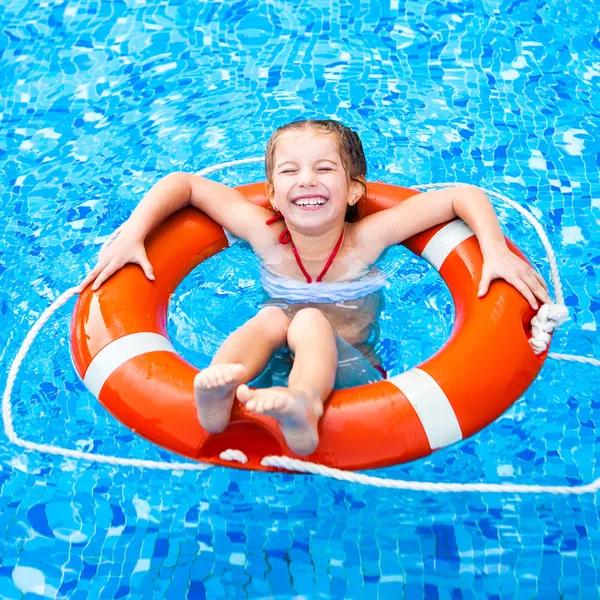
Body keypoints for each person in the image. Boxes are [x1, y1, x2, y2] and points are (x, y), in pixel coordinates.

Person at [77, 119, 551, 455]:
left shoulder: (367, 239)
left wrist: (494, 250)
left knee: (303, 319)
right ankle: (220, 387)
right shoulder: (265, 235)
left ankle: (304, 401)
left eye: (325, 169)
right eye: (290, 171)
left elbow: (463, 195)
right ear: (271, 193)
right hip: (270, 371)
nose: (307, 179)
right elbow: (184, 184)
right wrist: (133, 235)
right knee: (270, 318)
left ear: (354, 191)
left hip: (352, 370)